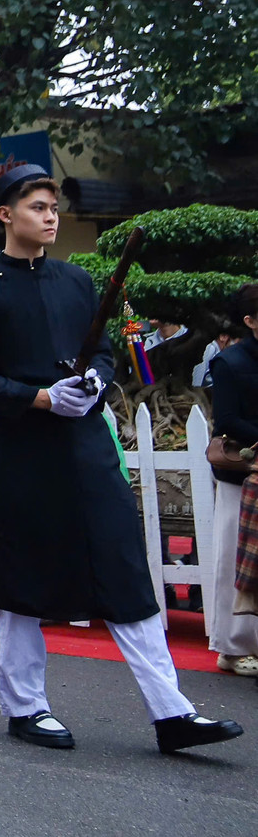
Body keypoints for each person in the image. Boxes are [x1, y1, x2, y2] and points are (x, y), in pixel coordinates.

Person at [0, 162, 242, 753]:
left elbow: (103, 353)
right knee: (23, 569)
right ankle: (25, 706)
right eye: (38, 207)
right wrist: (38, 398)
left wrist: (93, 385)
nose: (50, 218)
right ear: (6, 214)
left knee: (123, 562)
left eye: (54, 208)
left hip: (85, 440)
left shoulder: (78, 282)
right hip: (21, 445)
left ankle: (172, 712)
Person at [205, 284, 258, 675]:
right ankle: (232, 647)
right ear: (250, 321)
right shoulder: (230, 362)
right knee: (234, 559)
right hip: (241, 473)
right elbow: (225, 420)